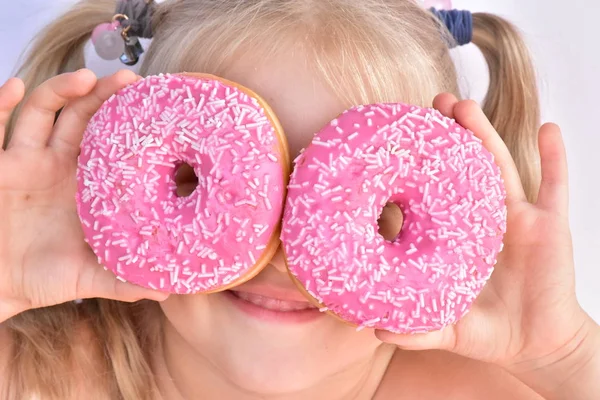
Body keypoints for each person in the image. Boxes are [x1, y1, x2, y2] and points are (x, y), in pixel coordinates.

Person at [0, 0, 598, 399]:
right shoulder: (39, 369)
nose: (283, 257)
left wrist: (566, 355)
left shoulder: (480, 390)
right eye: (197, 185)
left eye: (368, 213)